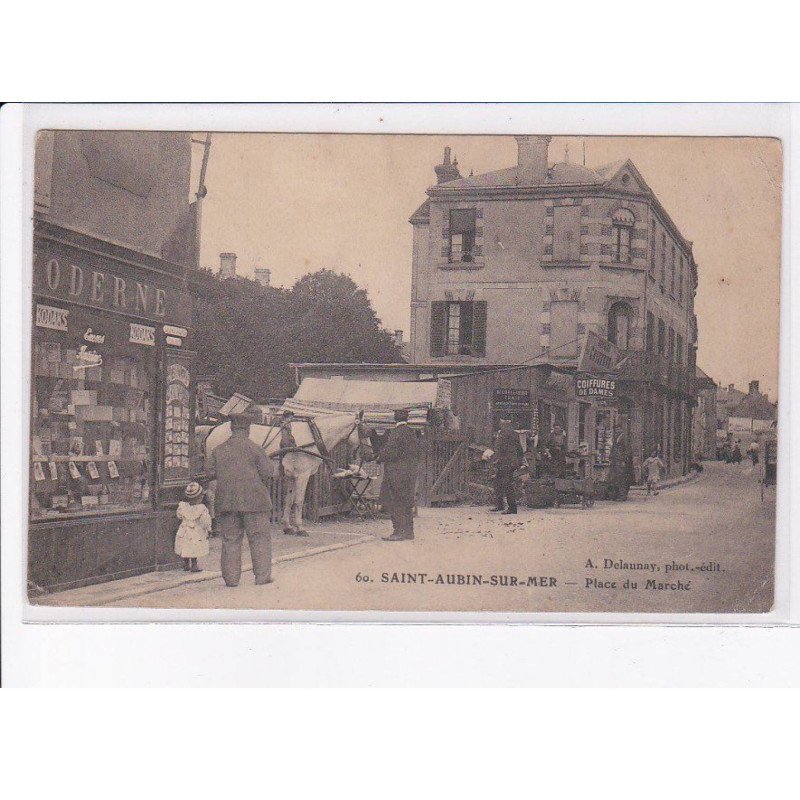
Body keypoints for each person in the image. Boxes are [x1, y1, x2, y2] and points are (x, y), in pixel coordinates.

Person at [207, 412, 274, 587]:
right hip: (255, 503)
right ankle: (262, 577)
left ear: (231, 428)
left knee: (230, 540)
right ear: (248, 429)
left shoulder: (218, 450)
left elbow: (210, 474)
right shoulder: (256, 448)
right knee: (259, 539)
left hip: (227, 502)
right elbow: (268, 473)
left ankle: (231, 579)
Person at [377, 409, 420, 541]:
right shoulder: (412, 432)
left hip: (396, 474)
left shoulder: (396, 433)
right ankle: (409, 532)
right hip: (409, 473)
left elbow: (390, 453)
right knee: (407, 502)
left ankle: (398, 531)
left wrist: (379, 457)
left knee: (395, 502)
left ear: (395, 418)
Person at [175, 482, 212, 572]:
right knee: (194, 547)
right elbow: (205, 521)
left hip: (184, 529)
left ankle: (186, 564)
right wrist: (208, 529)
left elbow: (179, 515)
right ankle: (194, 565)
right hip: (196, 531)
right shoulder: (201, 508)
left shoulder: (183, 506)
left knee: (185, 546)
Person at [491, 418, 524, 514]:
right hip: (504, 462)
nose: (503, 426)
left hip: (508, 463)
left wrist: (495, 457)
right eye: (503, 424)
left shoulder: (507, 434)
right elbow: (520, 449)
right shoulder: (507, 434)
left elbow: (503, 449)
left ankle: (512, 508)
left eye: (505, 424)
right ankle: (500, 505)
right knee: (498, 482)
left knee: (507, 484)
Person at [608, 430, 634, 501]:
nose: (615, 433)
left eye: (617, 431)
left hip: (622, 464)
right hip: (615, 463)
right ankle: (616, 495)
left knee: (622, 480)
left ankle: (623, 495)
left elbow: (627, 452)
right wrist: (610, 458)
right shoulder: (616, 440)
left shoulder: (624, 440)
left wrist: (624, 461)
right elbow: (613, 450)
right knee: (615, 479)